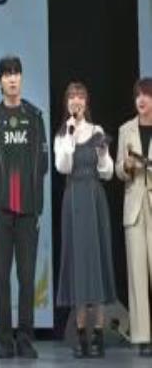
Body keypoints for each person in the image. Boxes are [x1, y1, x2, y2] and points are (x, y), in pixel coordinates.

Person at [0, 55, 48, 359]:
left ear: (21, 78)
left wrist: (35, 201)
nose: (12, 79)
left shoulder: (34, 116)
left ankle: (25, 339)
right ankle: (5, 341)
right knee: (1, 278)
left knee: (27, 278)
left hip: (28, 210)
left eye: (16, 73)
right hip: (0, 210)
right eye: (7, 74)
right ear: (0, 81)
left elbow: (43, 162)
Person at [54, 82, 116, 358]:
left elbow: (107, 172)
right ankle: (81, 336)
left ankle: (99, 335)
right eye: (72, 97)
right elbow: (62, 166)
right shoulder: (62, 134)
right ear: (67, 103)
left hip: (94, 197)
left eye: (80, 96)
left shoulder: (97, 130)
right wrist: (69, 135)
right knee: (78, 264)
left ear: (86, 102)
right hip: (73, 199)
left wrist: (102, 155)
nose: (76, 101)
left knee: (97, 261)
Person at [116, 77, 152, 357]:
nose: (142, 99)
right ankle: (142, 336)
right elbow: (118, 170)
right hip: (134, 208)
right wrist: (127, 165)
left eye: (147, 95)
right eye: (138, 95)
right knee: (137, 275)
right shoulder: (125, 129)